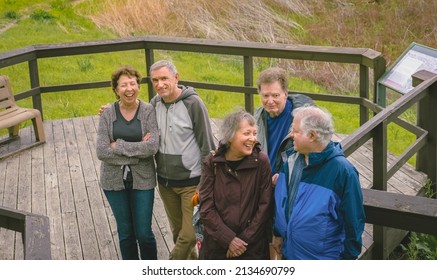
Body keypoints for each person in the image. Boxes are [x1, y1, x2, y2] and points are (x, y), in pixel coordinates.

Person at [272, 105, 366, 260]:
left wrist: (348, 259)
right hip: (289, 253)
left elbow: (353, 221)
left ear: (312, 135)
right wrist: (278, 233)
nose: (290, 134)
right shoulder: (290, 159)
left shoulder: (343, 172)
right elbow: (283, 201)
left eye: (295, 131)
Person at [149, 60, 216, 260]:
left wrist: (204, 184)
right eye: (155, 80)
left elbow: (208, 147)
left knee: (188, 236)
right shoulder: (154, 104)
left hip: (191, 183)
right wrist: (111, 110)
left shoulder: (193, 104)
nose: (160, 84)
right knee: (178, 234)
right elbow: (133, 116)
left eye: (164, 79)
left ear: (176, 78)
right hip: (166, 183)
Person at [96, 65, 159, 260]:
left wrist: (119, 146)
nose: (129, 89)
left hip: (143, 179)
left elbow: (152, 147)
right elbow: (102, 151)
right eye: (123, 85)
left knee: (143, 233)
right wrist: (138, 148)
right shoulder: (108, 114)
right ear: (116, 90)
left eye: (133, 83)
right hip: (113, 181)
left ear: (138, 86)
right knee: (125, 234)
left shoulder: (148, 111)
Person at [197, 108, 274, 260]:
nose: (252, 138)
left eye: (254, 133)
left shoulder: (261, 162)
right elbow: (206, 208)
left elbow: (265, 207)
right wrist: (229, 240)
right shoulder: (213, 163)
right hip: (217, 246)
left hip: (251, 248)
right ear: (230, 135)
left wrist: (242, 242)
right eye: (246, 133)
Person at [254, 67, 314, 178]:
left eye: (275, 95)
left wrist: (284, 176)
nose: (270, 101)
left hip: (291, 182)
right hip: (263, 183)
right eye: (265, 96)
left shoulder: (302, 118)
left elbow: (313, 155)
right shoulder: (256, 118)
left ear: (285, 94)